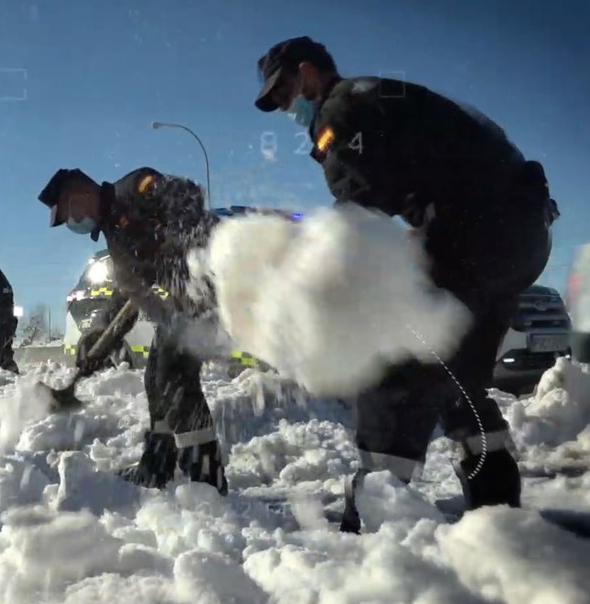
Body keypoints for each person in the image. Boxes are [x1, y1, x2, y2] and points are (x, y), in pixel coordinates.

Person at [252, 36, 558, 531]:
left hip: (472, 233)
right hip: (521, 234)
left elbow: (360, 212)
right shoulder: (380, 97)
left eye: (285, 92)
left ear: (307, 73)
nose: (287, 107)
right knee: (456, 370)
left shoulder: (343, 107)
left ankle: (375, 518)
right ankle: (497, 510)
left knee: (395, 356)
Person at [38, 167, 228, 494]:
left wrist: (176, 240)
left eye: (70, 215)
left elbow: (188, 195)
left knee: (175, 379)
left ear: (82, 194)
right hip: (177, 311)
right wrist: (100, 336)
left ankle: (207, 478)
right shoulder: (115, 237)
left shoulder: (134, 188)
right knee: (155, 379)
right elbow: (127, 293)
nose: (74, 224)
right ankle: (157, 465)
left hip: (205, 291)